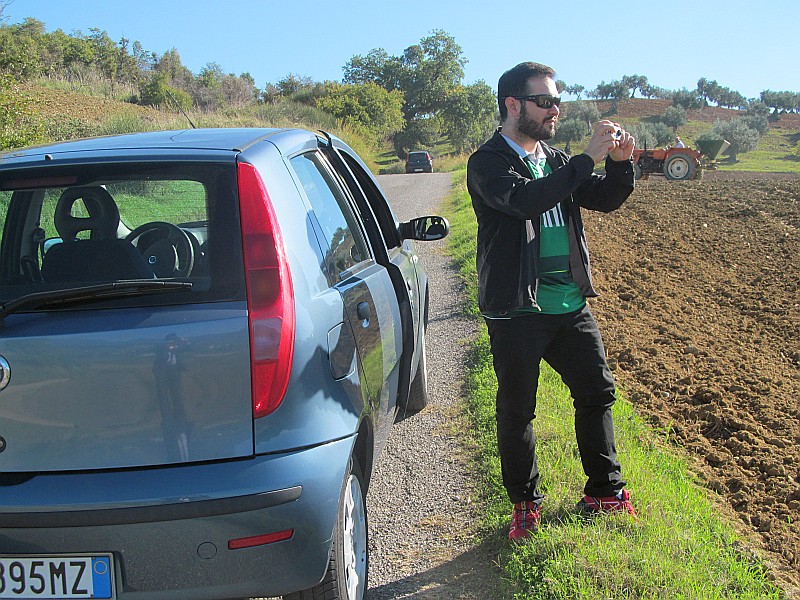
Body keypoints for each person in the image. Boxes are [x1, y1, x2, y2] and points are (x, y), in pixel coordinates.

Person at [466, 61, 637, 542]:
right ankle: (525, 503)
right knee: (518, 408)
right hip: (517, 310)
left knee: (597, 393)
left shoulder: (558, 161)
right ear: (513, 104)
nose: (555, 110)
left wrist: (620, 163)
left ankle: (605, 491)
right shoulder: (487, 163)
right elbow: (526, 201)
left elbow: (604, 199)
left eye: (558, 101)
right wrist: (585, 158)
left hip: (569, 305)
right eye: (545, 101)